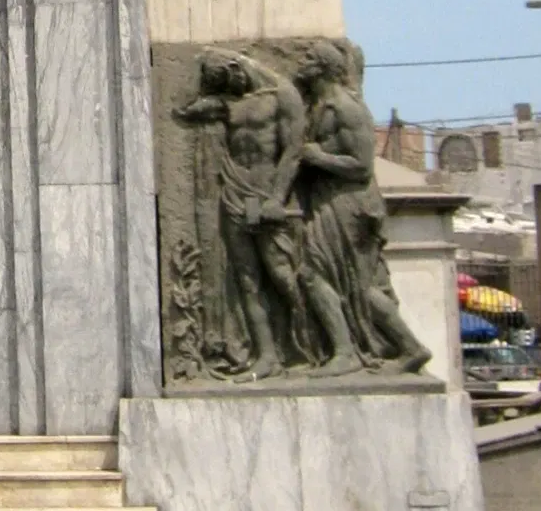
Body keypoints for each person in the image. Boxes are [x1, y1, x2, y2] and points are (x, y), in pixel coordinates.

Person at [290, 40, 431, 373]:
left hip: (350, 203)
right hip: (328, 199)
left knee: (351, 283)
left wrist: (318, 157)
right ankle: (352, 349)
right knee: (318, 275)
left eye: (310, 56)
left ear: (324, 66)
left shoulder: (345, 108)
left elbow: (362, 165)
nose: (302, 60)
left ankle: (386, 349)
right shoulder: (321, 107)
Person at [174, 50, 311, 377]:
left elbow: (294, 150)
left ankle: (309, 341)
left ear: (237, 69)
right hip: (236, 195)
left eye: (224, 81)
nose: (224, 90)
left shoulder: (282, 94)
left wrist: (277, 197)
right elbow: (187, 111)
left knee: (282, 273)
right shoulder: (229, 102)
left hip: (268, 194)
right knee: (247, 279)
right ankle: (267, 356)